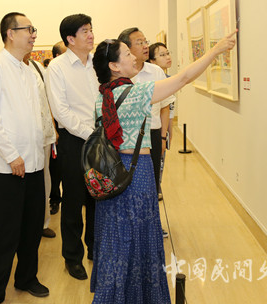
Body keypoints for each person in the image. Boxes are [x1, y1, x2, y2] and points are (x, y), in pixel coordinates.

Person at [90, 31, 236, 303]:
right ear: (114, 66)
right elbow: (183, 78)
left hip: (112, 174)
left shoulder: (103, 96)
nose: (134, 57)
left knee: (118, 238)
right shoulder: (136, 92)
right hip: (136, 173)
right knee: (140, 237)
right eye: (127, 54)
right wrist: (215, 51)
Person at [0, 12, 49, 303]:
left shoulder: (29, 70)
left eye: (33, 29)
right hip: (7, 166)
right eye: (28, 29)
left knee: (32, 227)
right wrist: (11, 155)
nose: (33, 34)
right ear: (10, 33)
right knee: (3, 233)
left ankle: (26, 277)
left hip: (34, 162)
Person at [46, 15, 98, 281]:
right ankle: (72, 257)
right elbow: (61, 111)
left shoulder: (98, 63)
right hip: (74, 140)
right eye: (85, 31)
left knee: (98, 199)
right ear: (70, 39)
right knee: (74, 202)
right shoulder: (57, 67)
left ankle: (95, 249)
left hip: (100, 140)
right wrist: (91, 133)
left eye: (91, 30)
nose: (91, 35)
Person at [118, 28, 173, 201]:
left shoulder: (156, 71)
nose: (145, 46)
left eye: (145, 41)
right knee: (129, 184)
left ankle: (151, 217)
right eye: (139, 43)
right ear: (126, 48)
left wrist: (163, 137)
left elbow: (165, 106)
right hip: (127, 137)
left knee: (152, 183)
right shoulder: (119, 72)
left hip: (153, 134)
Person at [23, 52, 57, 239]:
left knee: (44, 179)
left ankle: (42, 222)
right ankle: (23, 225)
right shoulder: (5, 68)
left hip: (44, 133)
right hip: (22, 136)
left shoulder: (36, 67)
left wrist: (52, 126)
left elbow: (47, 99)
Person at [148, 42, 174, 182]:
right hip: (156, 129)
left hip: (163, 128)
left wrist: (169, 130)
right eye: (162, 55)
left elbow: (169, 108)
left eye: (168, 53)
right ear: (152, 61)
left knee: (160, 163)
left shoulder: (169, 78)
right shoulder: (153, 79)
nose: (167, 57)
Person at [48, 40, 67, 216]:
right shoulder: (51, 72)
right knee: (55, 169)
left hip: (74, 129)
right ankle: (55, 199)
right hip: (56, 128)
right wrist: (53, 128)